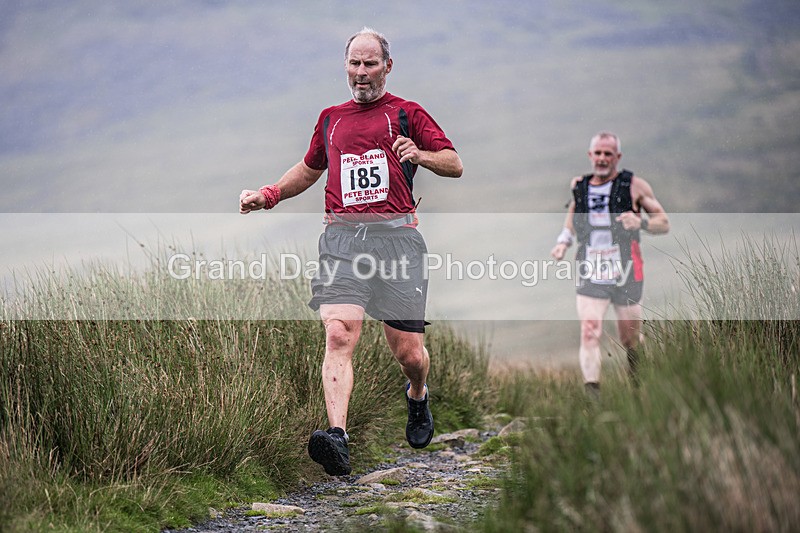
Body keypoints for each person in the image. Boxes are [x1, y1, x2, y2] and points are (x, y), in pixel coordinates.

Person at [239, 28, 462, 475]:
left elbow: (454, 163)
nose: (361, 73)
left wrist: (419, 154)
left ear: (387, 67)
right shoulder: (331, 119)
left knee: (409, 354)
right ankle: (338, 437)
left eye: (370, 64)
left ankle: (417, 395)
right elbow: (309, 169)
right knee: (339, 331)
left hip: (398, 242)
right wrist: (270, 194)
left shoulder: (406, 112)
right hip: (342, 240)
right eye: (354, 64)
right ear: (345, 66)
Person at [550, 132, 669, 397]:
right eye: (598, 153)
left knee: (630, 338)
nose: (602, 159)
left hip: (627, 269)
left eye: (608, 154)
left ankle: (640, 388)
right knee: (590, 331)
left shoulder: (634, 186)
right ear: (590, 155)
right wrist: (563, 242)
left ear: (617, 157)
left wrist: (643, 223)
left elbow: (664, 222)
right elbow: (571, 219)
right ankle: (593, 398)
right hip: (590, 268)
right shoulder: (579, 186)